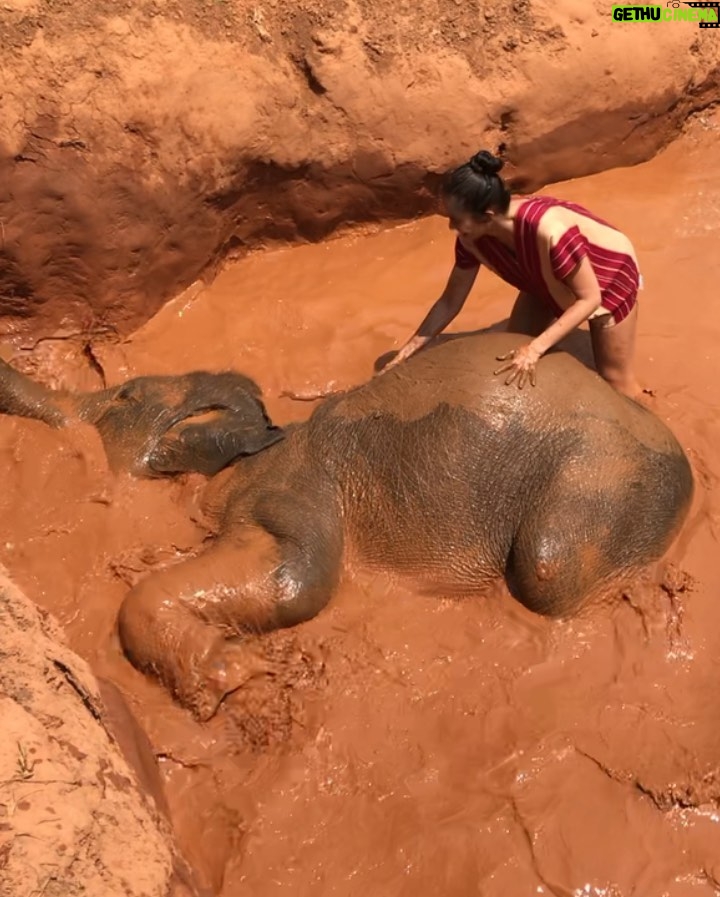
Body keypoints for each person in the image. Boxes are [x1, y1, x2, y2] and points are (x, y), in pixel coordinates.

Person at [379, 149, 644, 396]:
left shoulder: (548, 231)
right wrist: (407, 352)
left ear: (487, 215)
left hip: (607, 281)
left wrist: (535, 349)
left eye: (457, 219)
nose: (451, 226)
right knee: (506, 352)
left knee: (615, 381)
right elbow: (450, 301)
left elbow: (589, 299)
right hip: (543, 279)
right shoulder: (471, 238)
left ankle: (654, 425)